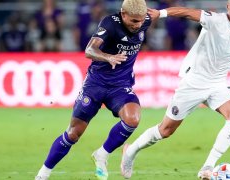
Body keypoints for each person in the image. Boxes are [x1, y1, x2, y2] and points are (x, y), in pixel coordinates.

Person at [120, 0, 230, 179]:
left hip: (217, 84)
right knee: (165, 130)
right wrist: (162, 13)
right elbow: (188, 13)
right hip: (193, 82)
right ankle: (130, 151)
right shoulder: (215, 20)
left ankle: (207, 167)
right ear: (228, 7)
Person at [35, 0, 152, 179]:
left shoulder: (146, 19)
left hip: (120, 86)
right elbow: (90, 50)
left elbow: (166, 12)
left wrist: (194, 15)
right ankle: (43, 174)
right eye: (134, 21)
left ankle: (102, 154)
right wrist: (108, 57)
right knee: (73, 134)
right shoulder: (110, 23)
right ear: (123, 14)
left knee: (133, 119)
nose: (138, 25)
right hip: (95, 85)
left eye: (141, 20)